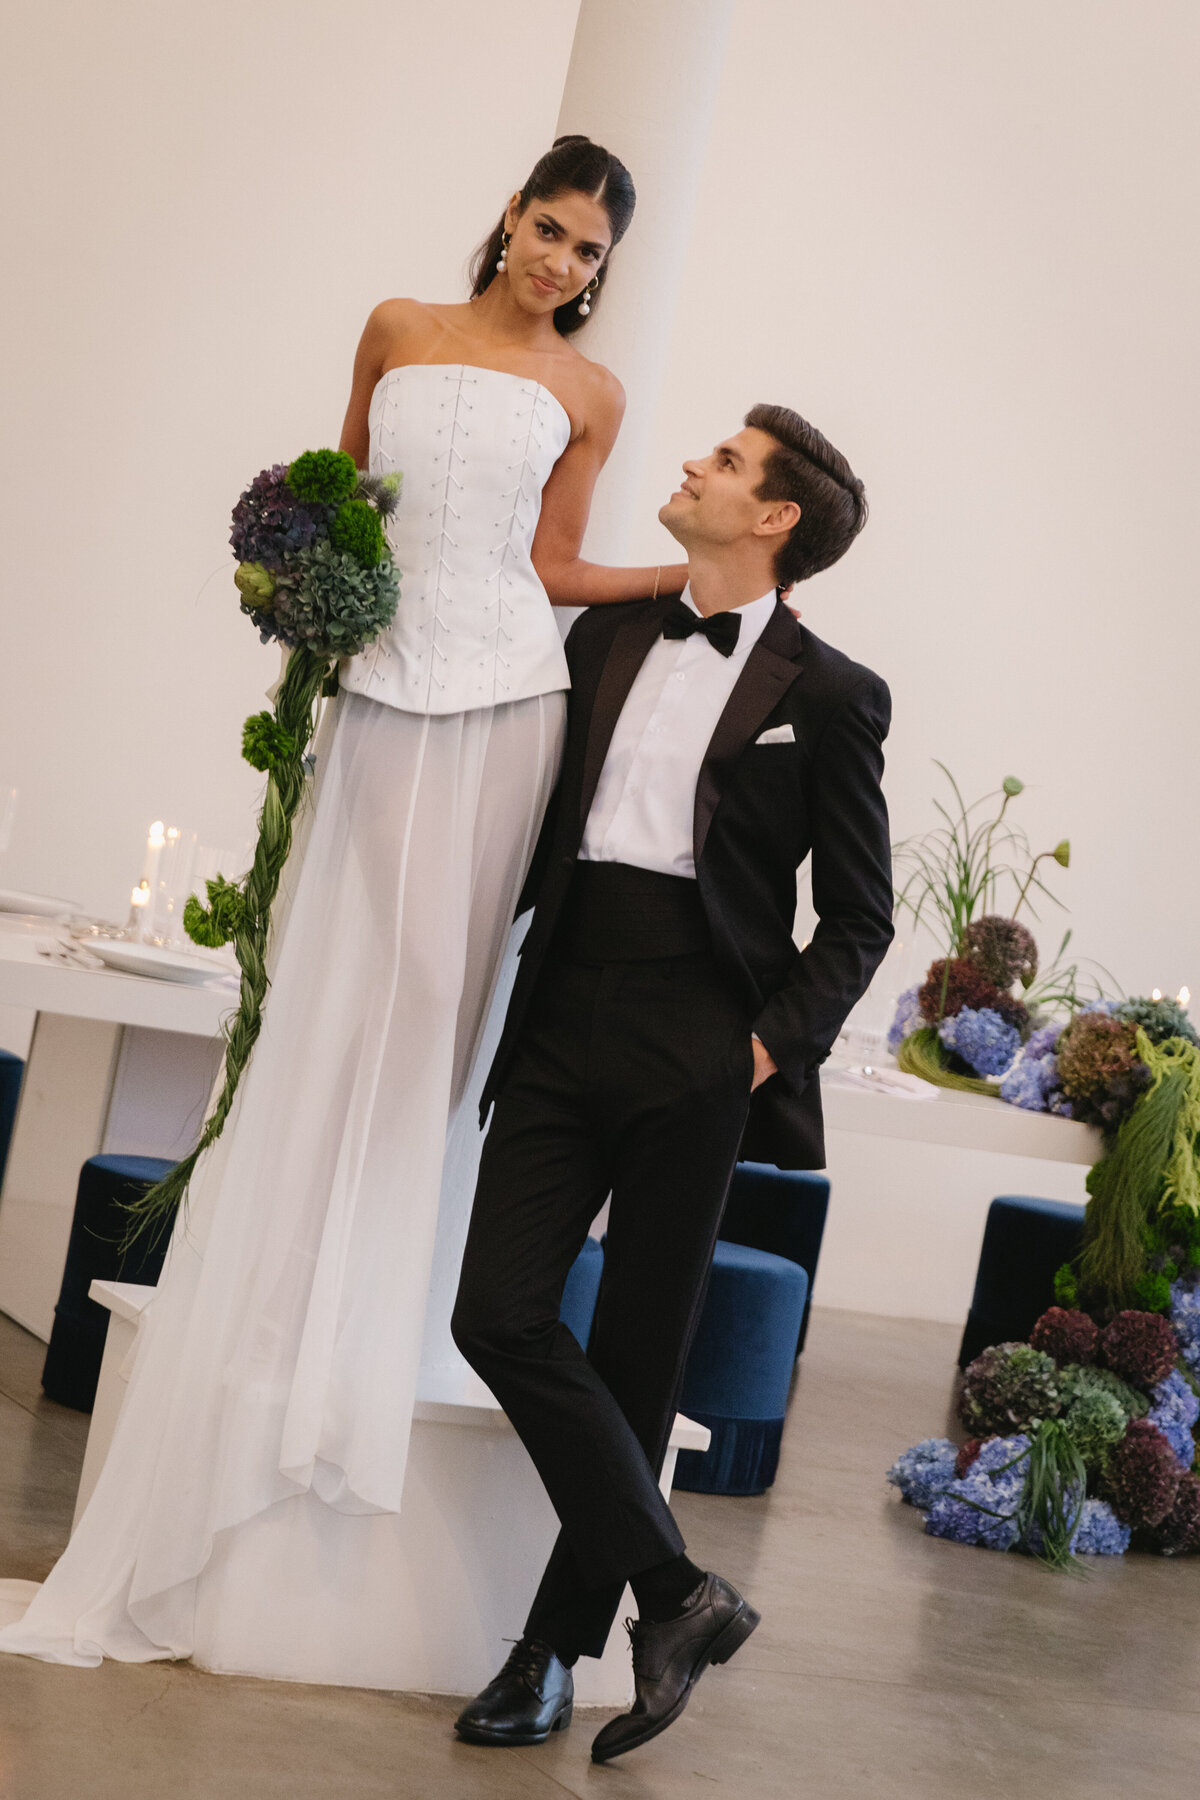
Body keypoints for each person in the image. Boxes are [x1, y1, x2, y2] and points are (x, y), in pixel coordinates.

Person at [0, 135, 688, 1668]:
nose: (562, 261)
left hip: (510, 702)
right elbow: (338, 502)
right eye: (551, 227)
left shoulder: (591, 394)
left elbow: (553, 564)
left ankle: (383, 1316)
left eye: (590, 252)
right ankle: (286, 1301)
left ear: (600, 271)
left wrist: (675, 585)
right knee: (350, 979)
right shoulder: (396, 325)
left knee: (443, 999)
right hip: (380, 694)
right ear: (511, 214)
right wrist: (298, 584)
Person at [450, 403, 895, 1762]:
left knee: (640, 1358)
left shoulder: (832, 694)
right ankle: (678, 1590)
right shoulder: (608, 635)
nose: (697, 464)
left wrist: (759, 1047)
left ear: (775, 518)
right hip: (565, 1000)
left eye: (728, 462)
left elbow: (859, 917)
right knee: (496, 1312)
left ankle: (548, 1654)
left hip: (699, 1035)